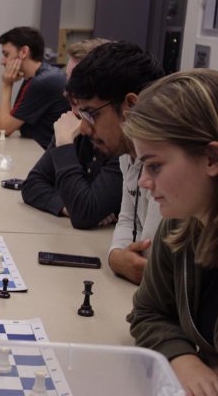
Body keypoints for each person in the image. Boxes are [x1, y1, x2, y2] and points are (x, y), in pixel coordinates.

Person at [125, 69, 218, 396]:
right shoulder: (181, 225)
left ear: (211, 158)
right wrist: (182, 358)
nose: (144, 182)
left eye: (155, 166)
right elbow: (147, 311)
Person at [64, 41, 164, 284]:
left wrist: (135, 264)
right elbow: (128, 221)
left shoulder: (168, 162)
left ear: (130, 105)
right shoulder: (126, 154)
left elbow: (156, 266)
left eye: (92, 115)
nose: (85, 129)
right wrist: (115, 257)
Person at [21, 38, 123, 229]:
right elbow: (32, 185)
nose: (66, 92)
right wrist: (68, 207)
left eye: (75, 82)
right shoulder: (71, 121)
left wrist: (65, 144)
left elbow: (85, 214)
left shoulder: (117, 138)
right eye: (67, 80)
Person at [0, 26, 70, 149]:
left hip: (49, 156)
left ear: (24, 52)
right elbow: (17, 119)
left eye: (6, 54)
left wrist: (6, 85)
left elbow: (4, 129)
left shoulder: (42, 82)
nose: (3, 61)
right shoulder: (36, 76)